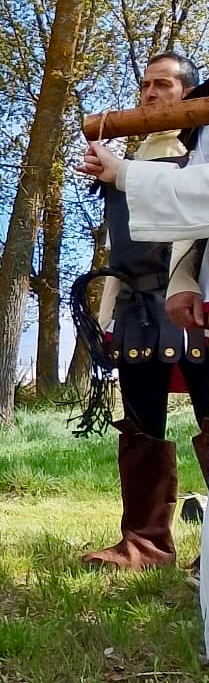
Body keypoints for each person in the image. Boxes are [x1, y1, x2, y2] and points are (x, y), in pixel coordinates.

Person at [75, 53, 209, 570]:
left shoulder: (198, 154)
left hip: (190, 295)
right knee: (141, 422)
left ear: (189, 94)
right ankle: (145, 543)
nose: (150, 94)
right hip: (136, 304)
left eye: (164, 85)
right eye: (145, 85)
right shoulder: (133, 152)